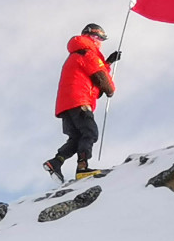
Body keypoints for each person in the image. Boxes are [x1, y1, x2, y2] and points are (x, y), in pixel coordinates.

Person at [45, 24, 119, 183]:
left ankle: (56, 162)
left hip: (67, 104)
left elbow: (91, 73)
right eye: (96, 37)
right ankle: (82, 168)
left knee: (76, 137)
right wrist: (110, 89)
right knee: (90, 133)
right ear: (88, 36)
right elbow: (99, 76)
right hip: (80, 100)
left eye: (101, 39)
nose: (99, 41)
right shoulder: (87, 52)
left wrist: (107, 63)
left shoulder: (77, 53)